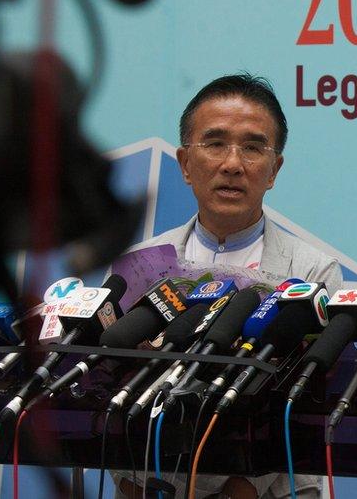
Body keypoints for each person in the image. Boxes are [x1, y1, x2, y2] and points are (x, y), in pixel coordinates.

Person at [118, 74, 342, 498]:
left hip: (265, 486)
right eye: (215, 143)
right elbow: (115, 385)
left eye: (253, 147)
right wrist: (131, 480)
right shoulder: (142, 264)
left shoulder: (313, 272)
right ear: (185, 164)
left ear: (274, 169)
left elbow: (303, 405)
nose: (233, 164)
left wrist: (245, 486)